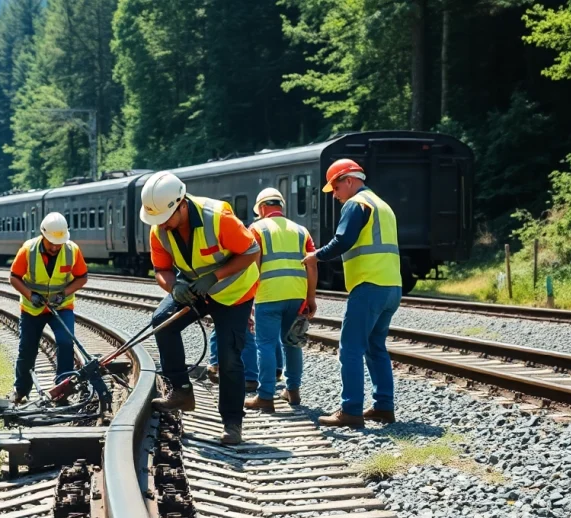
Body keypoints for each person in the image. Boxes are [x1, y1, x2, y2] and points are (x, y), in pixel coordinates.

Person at [141, 171, 261, 445]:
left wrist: (214, 277)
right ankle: (181, 390)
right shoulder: (160, 227)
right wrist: (173, 287)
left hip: (234, 293)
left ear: (181, 204)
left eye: (165, 219)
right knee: (163, 322)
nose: (161, 225)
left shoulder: (218, 218)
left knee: (229, 357)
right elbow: (161, 269)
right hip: (194, 289)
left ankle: (232, 423)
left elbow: (251, 251)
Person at [303, 159, 401, 428]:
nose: (334, 195)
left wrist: (316, 257)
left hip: (368, 285)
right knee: (375, 347)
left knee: (350, 348)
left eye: (335, 187)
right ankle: (383, 407)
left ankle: (351, 410)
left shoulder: (357, 204)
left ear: (349, 180)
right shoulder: (383, 205)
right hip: (391, 286)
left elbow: (343, 240)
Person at [243, 188, 317, 413]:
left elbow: (252, 266)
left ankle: (265, 397)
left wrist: (248, 300)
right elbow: (312, 265)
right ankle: (293, 391)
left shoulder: (256, 229)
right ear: (280, 207)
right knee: (292, 343)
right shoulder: (301, 230)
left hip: (268, 295)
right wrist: (310, 297)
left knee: (265, 344)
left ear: (262, 208)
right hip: (296, 294)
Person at [8, 212, 88, 402]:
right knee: (27, 349)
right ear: (43, 235)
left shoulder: (72, 250)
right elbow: (13, 277)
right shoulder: (28, 250)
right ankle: (21, 391)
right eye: (51, 242)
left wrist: (64, 294)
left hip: (61, 307)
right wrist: (30, 295)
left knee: (66, 342)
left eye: (58, 243)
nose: (54, 247)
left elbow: (82, 277)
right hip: (32, 309)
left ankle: (62, 391)